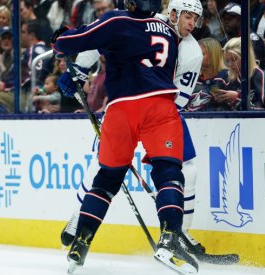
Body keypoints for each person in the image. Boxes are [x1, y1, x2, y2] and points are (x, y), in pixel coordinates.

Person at [51, 0, 199, 273]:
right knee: (169, 174)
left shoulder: (117, 20)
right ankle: (169, 239)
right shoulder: (169, 31)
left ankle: (81, 242)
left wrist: (59, 41)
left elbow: (81, 40)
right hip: (161, 107)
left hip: (122, 109)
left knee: (106, 179)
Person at [212, 37, 265, 111]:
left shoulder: (258, 74)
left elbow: (263, 106)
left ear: (245, 57)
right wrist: (217, 98)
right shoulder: (227, 75)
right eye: (227, 61)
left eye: (234, 59)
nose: (230, 64)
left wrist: (238, 97)